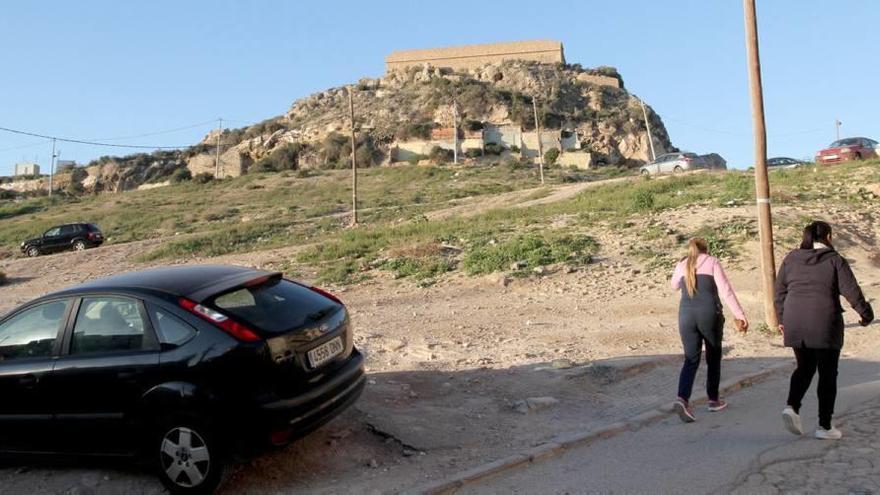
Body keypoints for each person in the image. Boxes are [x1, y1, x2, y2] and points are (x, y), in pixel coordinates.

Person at [775, 221, 873, 440]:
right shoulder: (834, 260)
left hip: (795, 320)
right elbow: (852, 291)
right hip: (824, 322)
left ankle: (792, 406)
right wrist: (866, 314)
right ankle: (824, 426)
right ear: (828, 236)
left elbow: (779, 291)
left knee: (805, 367)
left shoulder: (791, 258)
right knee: (827, 374)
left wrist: (782, 318)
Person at [670, 237, 749, 422]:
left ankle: (682, 398)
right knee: (713, 356)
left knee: (691, 359)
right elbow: (725, 290)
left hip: (685, 316)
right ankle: (713, 400)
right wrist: (740, 314)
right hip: (709, 315)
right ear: (706, 249)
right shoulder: (712, 262)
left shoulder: (682, 264)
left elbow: (673, 285)